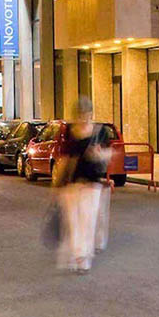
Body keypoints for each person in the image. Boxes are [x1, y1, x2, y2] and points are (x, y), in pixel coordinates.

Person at [54, 97, 112, 273]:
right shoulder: (69, 132)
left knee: (88, 220)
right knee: (74, 221)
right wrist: (57, 182)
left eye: (86, 115)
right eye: (80, 115)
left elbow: (109, 154)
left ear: (91, 114)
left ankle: (83, 257)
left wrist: (99, 155)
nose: (83, 118)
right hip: (72, 183)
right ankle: (79, 254)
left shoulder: (101, 131)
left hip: (92, 183)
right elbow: (65, 158)